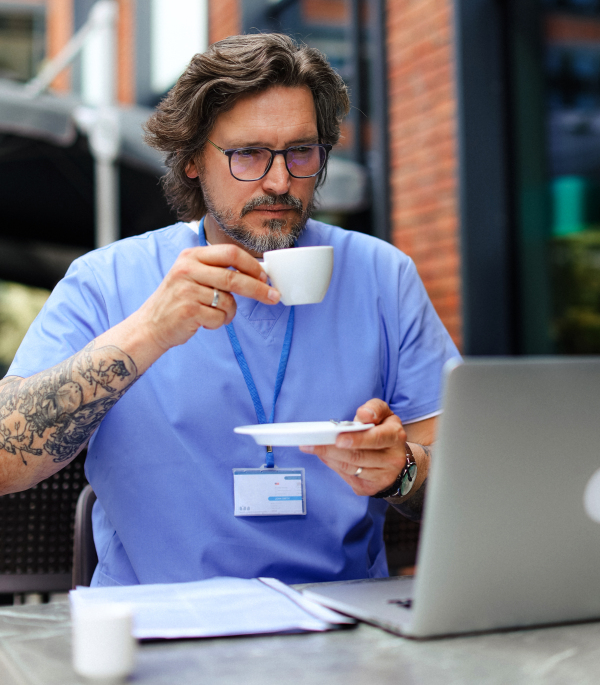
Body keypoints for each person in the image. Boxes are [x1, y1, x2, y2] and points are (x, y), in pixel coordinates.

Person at [0, 34, 459, 586]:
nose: (279, 180)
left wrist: (402, 470)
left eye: (301, 152)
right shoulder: (108, 281)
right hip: (159, 632)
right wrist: (149, 329)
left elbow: (467, 479)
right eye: (248, 154)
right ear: (193, 159)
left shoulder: (383, 277)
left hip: (341, 630)